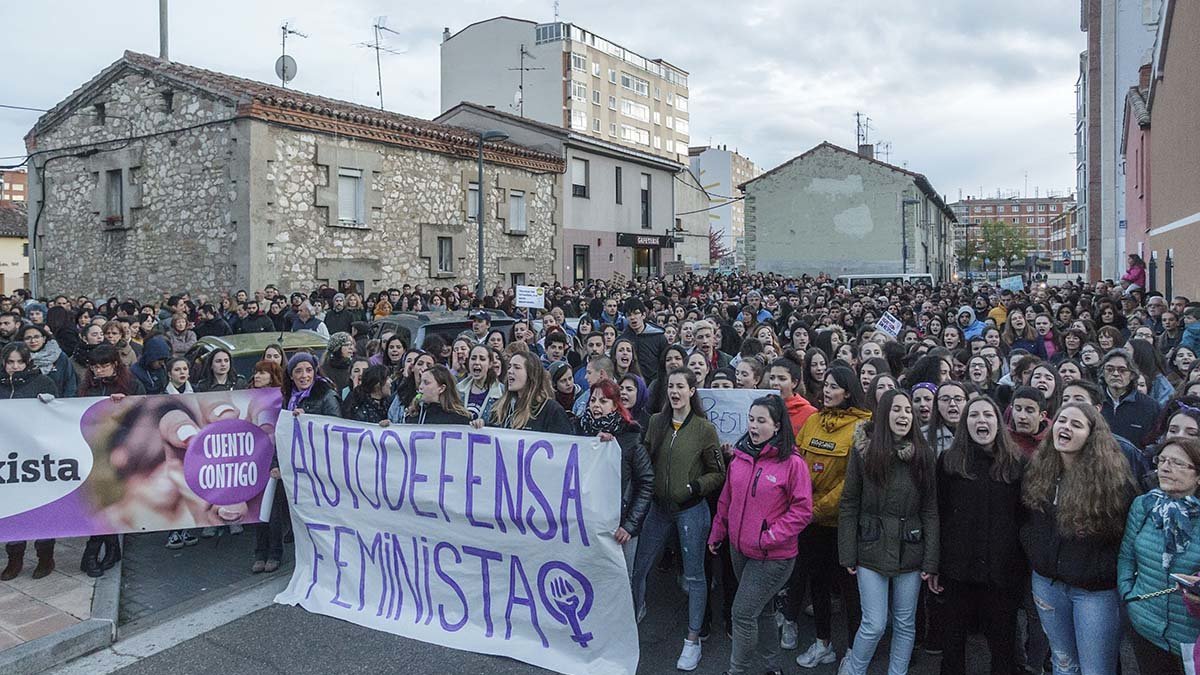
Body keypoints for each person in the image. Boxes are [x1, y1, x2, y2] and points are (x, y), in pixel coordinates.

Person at [1020, 403, 1135, 675]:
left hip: (1095, 593)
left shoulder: (1115, 483)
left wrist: (1099, 570)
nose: (1065, 427)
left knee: (1096, 669)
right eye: (1061, 421)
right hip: (1048, 585)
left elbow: (1125, 540)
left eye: (1076, 424)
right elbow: (1028, 523)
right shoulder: (1039, 472)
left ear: (1091, 435)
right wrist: (1038, 553)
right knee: (1063, 663)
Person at [709, 395, 813, 675]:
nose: (753, 426)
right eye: (751, 419)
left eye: (761, 421)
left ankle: (737, 671)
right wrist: (719, 531)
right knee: (763, 611)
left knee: (742, 613)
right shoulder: (741, 456)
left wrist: (769, 536)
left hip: (772, 556)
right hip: (739, 549)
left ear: (777, 426)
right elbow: (727, 499)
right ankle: (772, 668)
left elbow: (802, 511)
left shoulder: (792, 463)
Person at [630, 367, 725, 672]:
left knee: (696, 577)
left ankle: (692, 640)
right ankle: (630, 622)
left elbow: (718, 472)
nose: (674, 391)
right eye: (670, 386)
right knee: (639, 568)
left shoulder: (704, 429)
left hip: (691, 510)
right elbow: (642, 456)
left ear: (692, 391)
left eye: (680, 386)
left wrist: (694, 487)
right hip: (657, 509)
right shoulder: (657, 422)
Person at [838, 389, 938, 675]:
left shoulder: (924, 455)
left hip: (911, 546)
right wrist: (847, 552)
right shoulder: (863, 452)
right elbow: (849, 502)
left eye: (908, 410)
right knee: (874, 623)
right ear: (883, 415)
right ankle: (853, 670)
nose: (904, 415)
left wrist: (931, 560)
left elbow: (930, 510)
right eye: (896, 409)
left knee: (906, 623)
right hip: (870, 545)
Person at [933, 396, 1025, 675]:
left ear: (998, 422)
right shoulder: (948, 461)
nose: (981, 421)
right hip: (958, 569)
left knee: (1002, 645)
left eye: (988, 415)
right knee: (953, 643)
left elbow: (1024, 518)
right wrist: (935, 564)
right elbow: (940, 513)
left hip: (1001, 572)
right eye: (974, 415)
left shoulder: (1017, 463)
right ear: (964, 423)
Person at [789, 366, 870, 668]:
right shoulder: (812, 421)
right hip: (810, 523)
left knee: (849, 591)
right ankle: (823, 642)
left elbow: (852, 483)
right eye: (825, 385)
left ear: (848, 392)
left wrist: (814, 509)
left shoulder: (864, 427)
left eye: (834, 386)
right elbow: (796, 461)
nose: (827, 391)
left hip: (841, 524)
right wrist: (800, 505)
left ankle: (853, 650)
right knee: (818, 584)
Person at [1119, 437, 1200, 675]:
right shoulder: (1144, 505)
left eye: (1176, 463)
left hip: (1190, 636)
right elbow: (1126, 556)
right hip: (1145, 625)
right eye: (1162, 460)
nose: (1165, 468)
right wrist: (1128, 594)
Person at [76, 344, 144, 577]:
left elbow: (144, 413)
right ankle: (112, 549)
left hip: (122, 453)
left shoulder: (131, 384)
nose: (99, 371)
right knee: (101, 504)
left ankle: (91, 552)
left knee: (107, 503)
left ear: (114, 364)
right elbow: (76, 414)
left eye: (104, 365)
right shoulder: (86, 388)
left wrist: (125, 402)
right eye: (95, 367)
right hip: (94, 453)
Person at [575, 379, 653, 572]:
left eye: (603, 401)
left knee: (622, 582)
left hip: (620, 529)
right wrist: (592, 443)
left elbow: (646, 482)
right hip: (588, 526)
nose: (596, 405)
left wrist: (630, 526)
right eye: (593, 400)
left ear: (615, 405)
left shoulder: (630, 437)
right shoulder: (578, 432)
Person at [0, 343, 60, 580]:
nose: (15, 367)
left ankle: (46, 557)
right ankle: (15, 559)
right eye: (10, 362)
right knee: (13, 508)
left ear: (27, 363)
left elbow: (61, 417)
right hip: (8, 459)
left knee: (41, 508)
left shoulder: (43, 383)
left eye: (20, 362)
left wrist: (51, 405)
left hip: (36, 459)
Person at [475, 352, 574, 434]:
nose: (510, 371)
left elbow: (563, 448)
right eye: (509, 367)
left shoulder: (551, 410)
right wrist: (482, 427)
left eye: (517, 367)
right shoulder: (499, 408)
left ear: (531, 374)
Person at [1099, 348, 1160, 448]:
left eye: (1122, 370)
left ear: (1132, 374)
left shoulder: (1150, 406)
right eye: (1110, 369)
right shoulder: (1093, 401)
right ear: (1103, 372)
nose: (1115, 374)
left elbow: (1154, 443)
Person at [401, 365, 470, 425]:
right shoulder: (412, 416)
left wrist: (477, 424)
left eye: (426, 383)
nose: (420, 387)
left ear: (441, 388)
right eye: (420, 382)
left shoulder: (458, 419)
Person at [21, 323, 76, 397]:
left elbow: (70, 383)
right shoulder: (18, 358)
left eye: (36, 337)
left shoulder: (59, 357)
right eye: (28, 338)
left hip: (58, 404)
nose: (33, 341)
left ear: (44, 339)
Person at [456, 344, 503, 422]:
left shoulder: (502, 392)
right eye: (473, 358)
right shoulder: (457, 390)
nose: (477, 362)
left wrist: (484, 424)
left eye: (482, 359)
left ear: (490, 364)